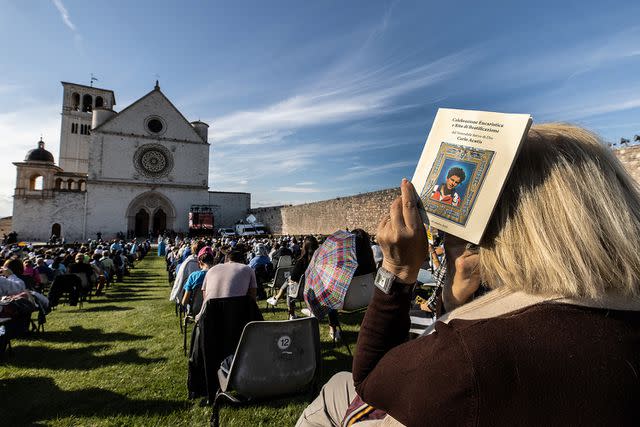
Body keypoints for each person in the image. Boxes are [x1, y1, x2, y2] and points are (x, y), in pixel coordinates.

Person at [297, 124, 640, 426]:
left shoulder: (469, 355)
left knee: (335, 393)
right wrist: (453, 301)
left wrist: (398, 271)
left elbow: (371, 382)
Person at [266, 235, 319, 318]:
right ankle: (276, 298)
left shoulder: (301, 261)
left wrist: (291, 280)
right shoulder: (320, 261)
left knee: (289, 284)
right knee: (289, 281)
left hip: (302, 292)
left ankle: (291, 313)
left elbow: (294, 278)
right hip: (317, 290)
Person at [199, 250, 257, 314]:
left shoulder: (211, 270)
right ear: (242, 261)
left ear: (225, 260)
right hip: (236, 313)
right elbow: (252, 299)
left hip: (210, 314)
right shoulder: (248, 269)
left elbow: (205, 296)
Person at [181, 246, 215, 315]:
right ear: (213, 260)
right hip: (214, 310)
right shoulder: (218, 274)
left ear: (200, 262)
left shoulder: (193, 276)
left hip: (196, 309)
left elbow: (185, 301)